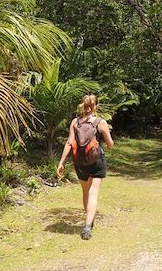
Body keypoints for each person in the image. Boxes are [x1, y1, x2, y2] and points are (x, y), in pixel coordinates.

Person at [56, 94, 114, 240]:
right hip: (96, 161)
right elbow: (110, 144)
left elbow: (69, 143)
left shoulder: (75, 122)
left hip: (79, 162)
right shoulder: (101, 122)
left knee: (85, 192)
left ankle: (89, 219)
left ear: (83, 105)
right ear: (96, 106)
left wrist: (61, 162)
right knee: (93, 193)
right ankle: (87, 227)